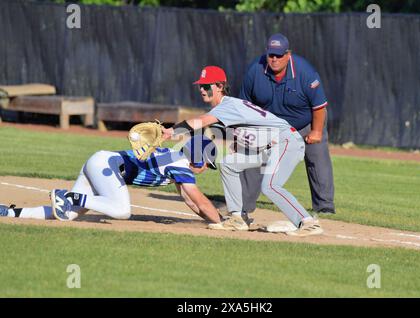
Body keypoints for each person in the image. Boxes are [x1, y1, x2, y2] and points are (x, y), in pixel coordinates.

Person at [162, 65, 323, 237]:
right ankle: (237, 218)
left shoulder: (227, 106)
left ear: (219, 86)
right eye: (200, 85)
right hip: (268, 147)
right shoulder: (225, 108)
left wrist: (172, 131)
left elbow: (200, 121)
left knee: (270, 186)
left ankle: (308, 223)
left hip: (286, 141)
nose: (202, 89)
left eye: (207, 85)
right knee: (228, 164)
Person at [0, 135, 222, 225]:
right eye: (207, 165)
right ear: (201, 160)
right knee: (122, 210)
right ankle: (67, 195)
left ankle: (9, 213)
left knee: (67, 214)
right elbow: (200, 200)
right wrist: (223, 223)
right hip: (107, 166)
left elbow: (191, 202)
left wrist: (213, 220)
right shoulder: (181, 165)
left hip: (101, 162)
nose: (205, 169)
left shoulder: (175, 160)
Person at [239, 33, 335, 215]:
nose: (274, 59)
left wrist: (316, 131)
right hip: (269, 126)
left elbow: (319, 106)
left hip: (304, 123)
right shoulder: (254, 70)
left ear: (288, 55)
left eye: (279, 55)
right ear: (266, 53)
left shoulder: (305, 72)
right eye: (271, 55)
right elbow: (245, 105)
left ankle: (325, 207)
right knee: (252, 157)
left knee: (317, 158)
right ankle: (243, 207)